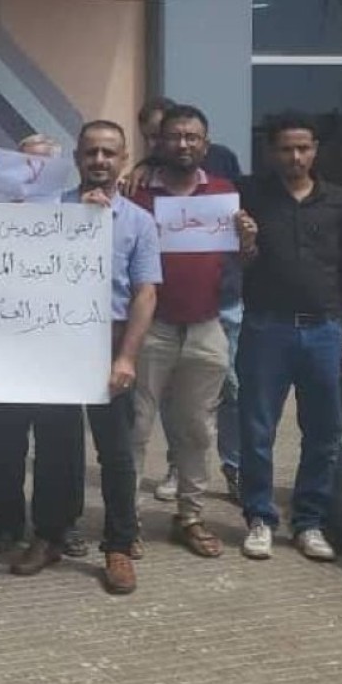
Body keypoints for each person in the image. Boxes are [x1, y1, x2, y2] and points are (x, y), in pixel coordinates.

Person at [237, 112, 342, 563]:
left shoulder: (339, 200)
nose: (295, 156)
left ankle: (309, 522)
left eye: (304, 148)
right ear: (271, 152)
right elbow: (239, 262)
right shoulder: (251, 195)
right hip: (265, 329)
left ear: (315, 150)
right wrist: (248, 245)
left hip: (323, 331)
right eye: (286, 149)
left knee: (323, 431)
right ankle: (259, 517)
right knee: (257, 429)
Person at [129, 106, 253, 559]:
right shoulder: (138, 194)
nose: (184, 144)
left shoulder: (224, 191)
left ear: (206, 143)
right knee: (137, 427)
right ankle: (127, 520)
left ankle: (191, 515)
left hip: (206, 326)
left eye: (193, 137)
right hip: (151, 328)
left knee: (198, 429)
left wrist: (248, 240)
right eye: (175, 136)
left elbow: (241, 261)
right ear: (158, 142)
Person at [59, 120, 161, 594]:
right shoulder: (52, 211)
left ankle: (119, 544)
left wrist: (127, 357)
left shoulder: (140, 221)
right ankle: (50, 534)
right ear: (78, 158)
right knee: (57, 447)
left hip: (111, 337)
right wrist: (73, 224)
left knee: (116, 452)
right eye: (90, 152)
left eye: (108, 153)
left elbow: (145, 294)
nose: (99, 160)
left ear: (123, 160)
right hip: (57, 338)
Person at [0, 131, 88, 561]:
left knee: (60, 442)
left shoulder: (81, 217)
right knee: (3, 441)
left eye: (44, 167)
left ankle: (60, 525)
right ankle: (4, 525)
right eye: (24, 166)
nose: (33, 177)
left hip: (59, 350)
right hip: (4, 351)